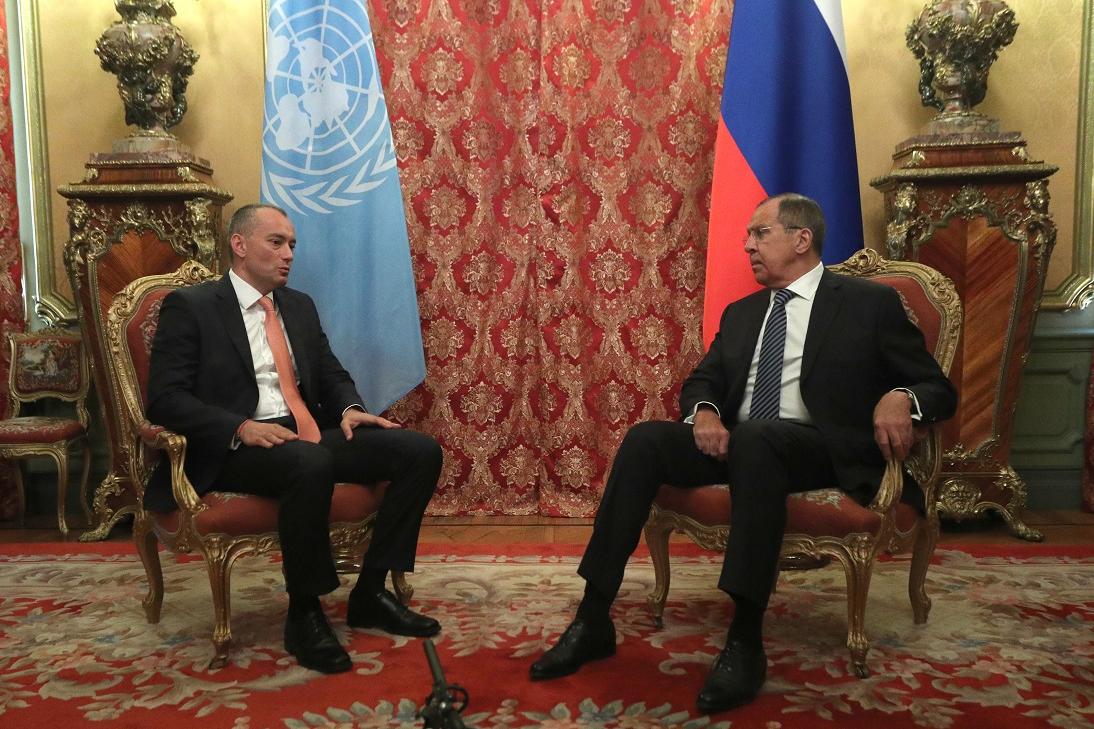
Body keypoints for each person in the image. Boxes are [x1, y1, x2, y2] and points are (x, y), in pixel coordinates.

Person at [529, 193, 957, 712]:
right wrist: (706, 412)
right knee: (646, 440)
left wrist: (901, 396)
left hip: (821, 448)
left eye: (760, 233)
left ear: (801, 239)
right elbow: (703, 380)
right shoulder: (742, 313)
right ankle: (593, 617)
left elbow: (938, 388)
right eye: (748, 236)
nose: (747, 245)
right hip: (743, 444)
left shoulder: (868, 304)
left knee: (757, 437)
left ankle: (745, 641)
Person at [145, 203, 443, 674]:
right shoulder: (194, 306)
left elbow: (330, 372)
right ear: (240, 245)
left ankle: (370, 592)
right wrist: (239, 426)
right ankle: (305, 613)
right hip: (235, 446)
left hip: (304, 434)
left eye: (292, 245)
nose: (289, 254)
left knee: (419, 451)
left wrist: (349, 410)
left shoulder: (298, 305)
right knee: (310, 462)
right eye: (277, 242)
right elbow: (165, 399)